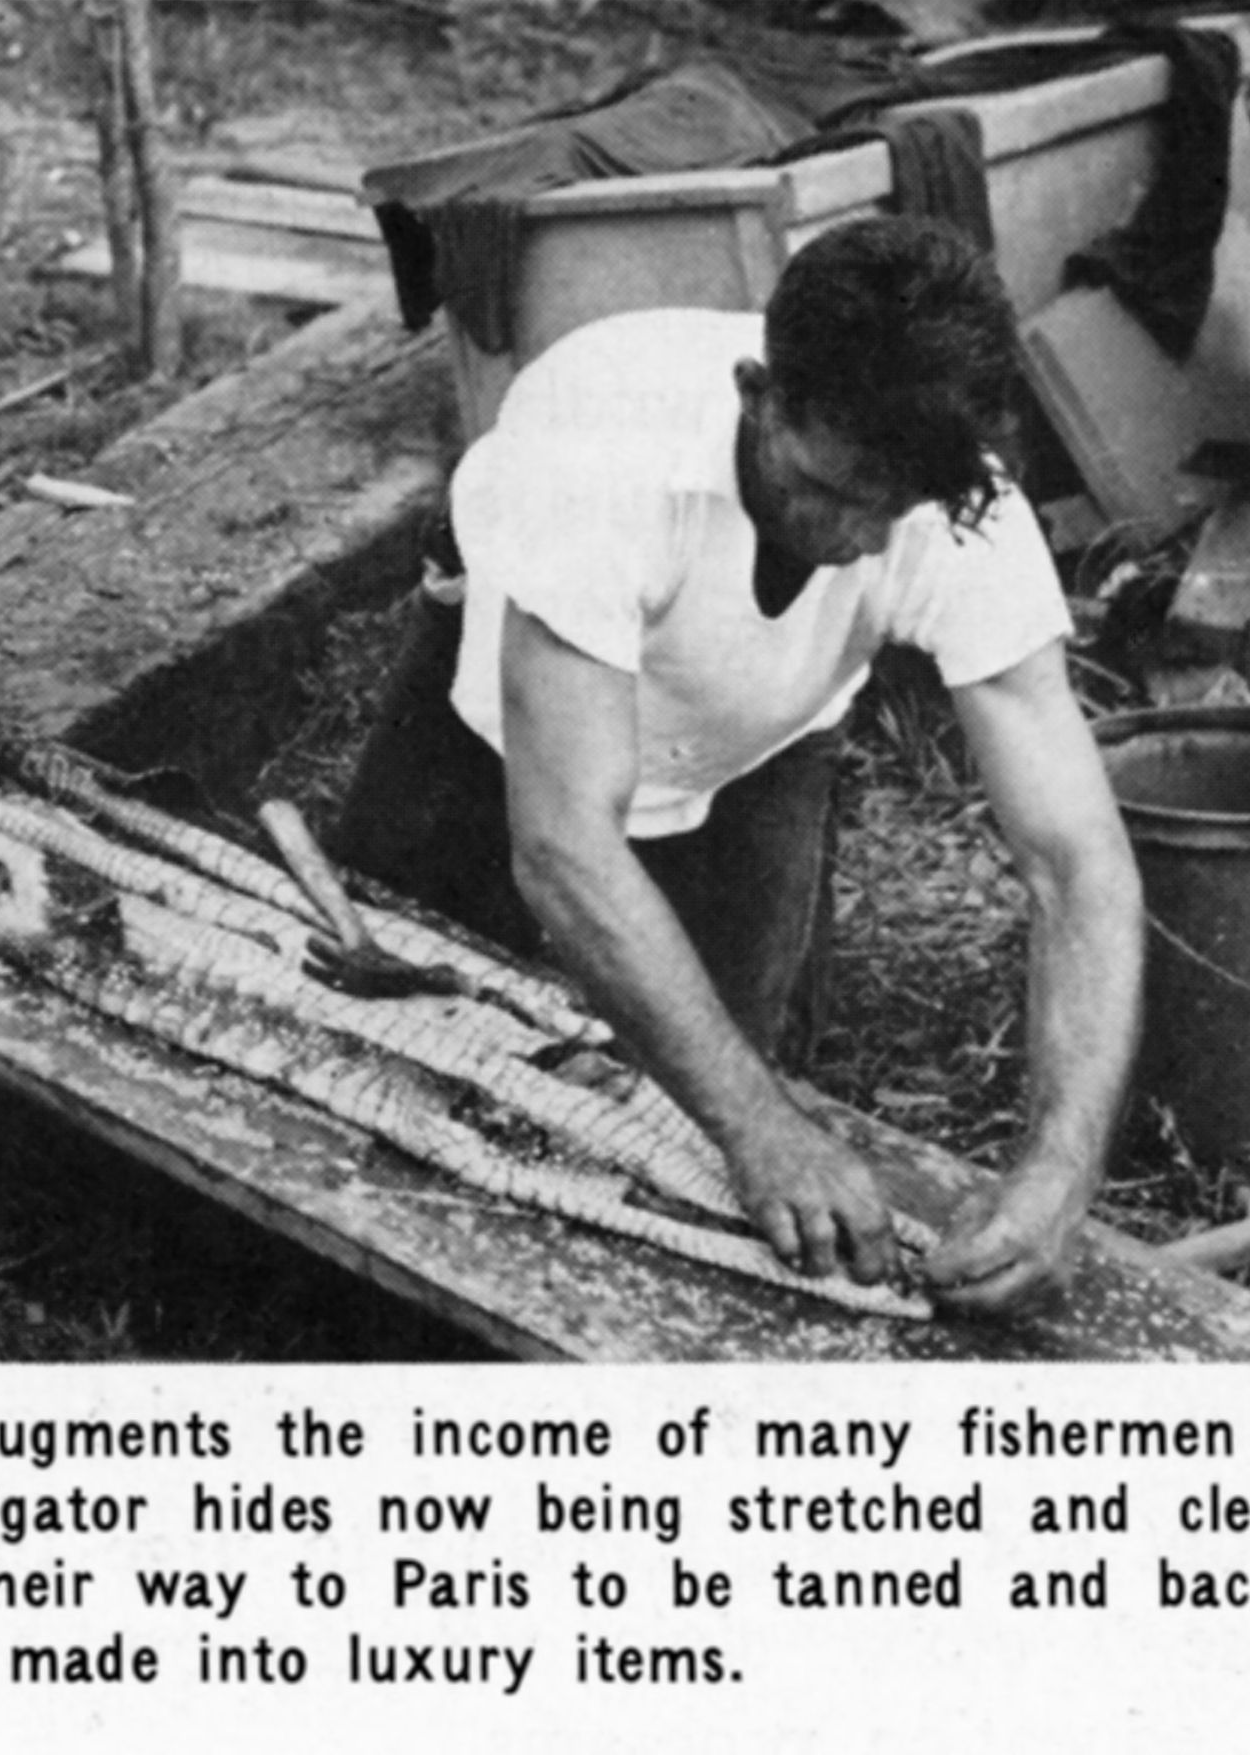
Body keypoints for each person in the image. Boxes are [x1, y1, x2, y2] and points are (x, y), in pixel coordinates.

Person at [332, 216, 1144, 1318]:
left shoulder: (954, 507)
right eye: (829, 486)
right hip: (501, 730)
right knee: (375, 1043)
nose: (856, 538)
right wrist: (760, 1129)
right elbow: (564, 846)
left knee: (717, 1151)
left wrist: (1057, 1173)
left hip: (761, 738)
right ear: (756, 392)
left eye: (887, 507)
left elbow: (1075, 862)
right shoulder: (598, 442)